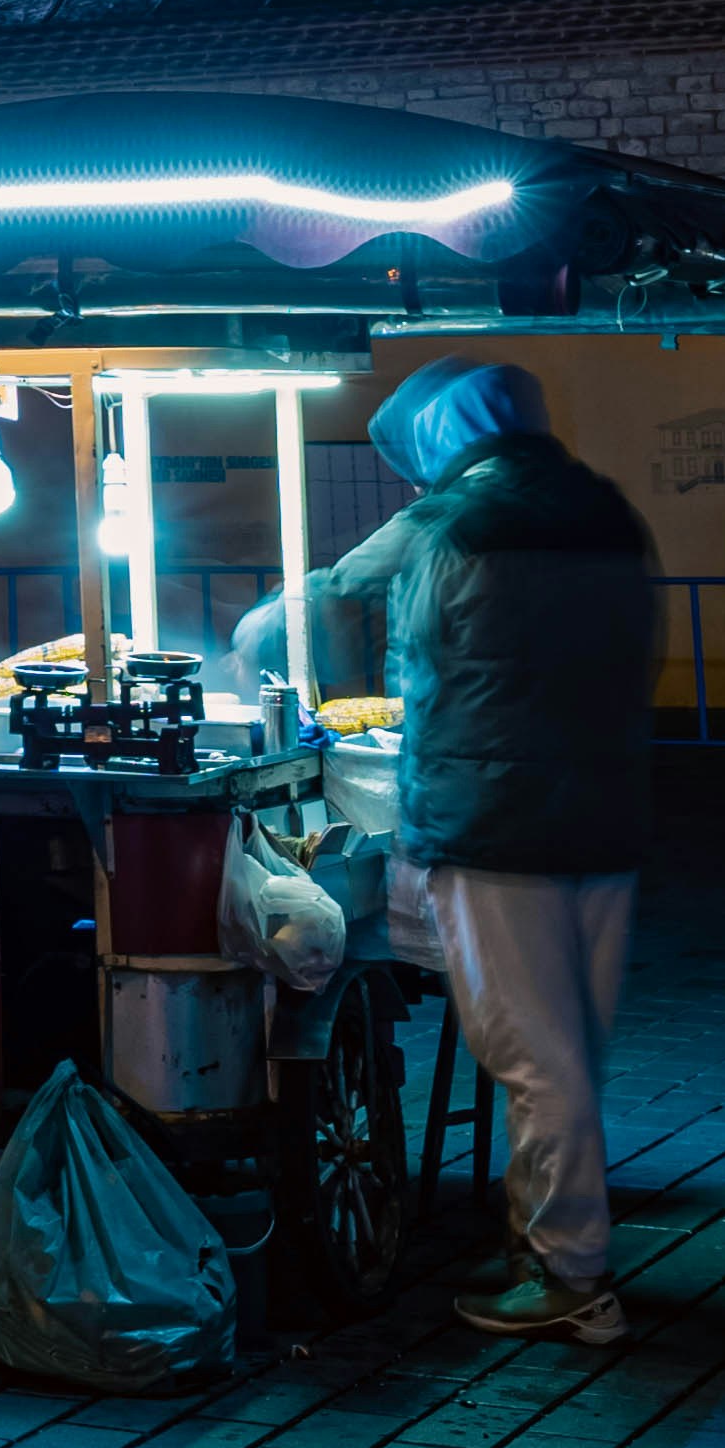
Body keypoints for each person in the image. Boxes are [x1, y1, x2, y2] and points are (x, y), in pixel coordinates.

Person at [236, 359, 658, 1348]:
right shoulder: (601, 510)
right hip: (603, 813)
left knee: (528, 1051)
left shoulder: (453, 517)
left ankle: (568, 1276)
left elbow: (318, 599)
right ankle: (545, 1241)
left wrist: (247, 648)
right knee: (573, 1050)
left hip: (493, 822)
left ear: (440, 437)